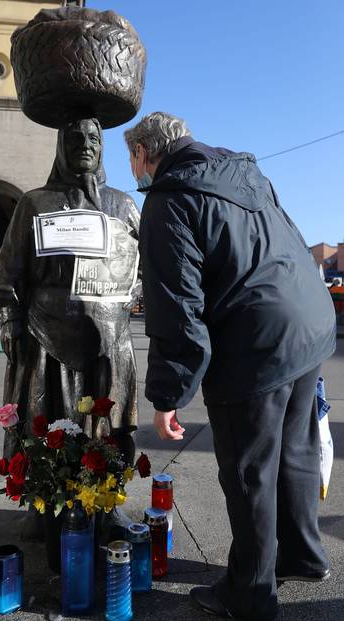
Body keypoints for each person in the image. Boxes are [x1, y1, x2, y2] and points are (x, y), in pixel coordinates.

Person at [124, 112, 336, 621]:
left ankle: (249, 594)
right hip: (308, 322)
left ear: (145, 153)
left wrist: (168, 394)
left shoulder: (168, 199)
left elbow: (176, 307)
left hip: (255, 343)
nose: (132, 171)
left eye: (130, 158)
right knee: (297, 449)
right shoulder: (246, 172)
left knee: (248, 472)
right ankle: (303, 556)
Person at [0, 119, 140, 538]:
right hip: (47, 333)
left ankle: (108, 504)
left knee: (107, 425)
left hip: (109, 335)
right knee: (47, 420)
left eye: (94, 139)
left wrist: (130, 287)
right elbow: (8, 271)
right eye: (75, 138)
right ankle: (44, 504)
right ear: (60, 146)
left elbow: (145, 265)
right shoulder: (35, 203)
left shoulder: (122, 205)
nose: (85, 146)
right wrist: (11, 318)